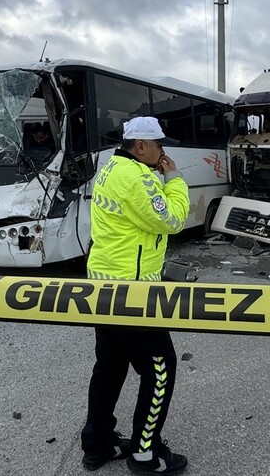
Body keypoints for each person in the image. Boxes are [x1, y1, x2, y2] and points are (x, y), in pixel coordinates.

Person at [80, 116, 190, 474]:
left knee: (110, 367)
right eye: (159, 145)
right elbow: (172, 220)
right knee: (160, 369)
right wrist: (175, 179)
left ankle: (98, 443)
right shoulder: (138, 177)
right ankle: (146, 453)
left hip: (103, 284)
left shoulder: (111, 168)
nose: (163, 152)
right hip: (133, 291)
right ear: (141, 146)